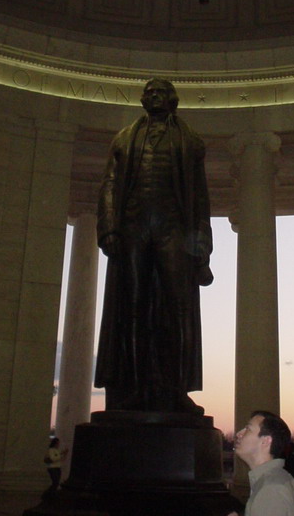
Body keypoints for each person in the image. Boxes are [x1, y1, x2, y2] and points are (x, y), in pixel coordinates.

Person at [95, 78, 213, 414]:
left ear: (173, 100)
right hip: (133, 227)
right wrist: (108, 229)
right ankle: (131, 388)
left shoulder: (189, 141)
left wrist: (202, 244)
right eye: (148, 92)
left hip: (173, 228)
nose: (153, 96)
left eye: (160, 91)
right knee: (132, 308)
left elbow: (201, 196)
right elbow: (110, 184)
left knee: (177, 308)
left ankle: (174, 389)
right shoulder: (124, 138)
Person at [229, 410, 294, 516]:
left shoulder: (271, 489)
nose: (239, 434)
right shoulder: (276, 480)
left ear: (266, 441)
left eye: (248, 429)